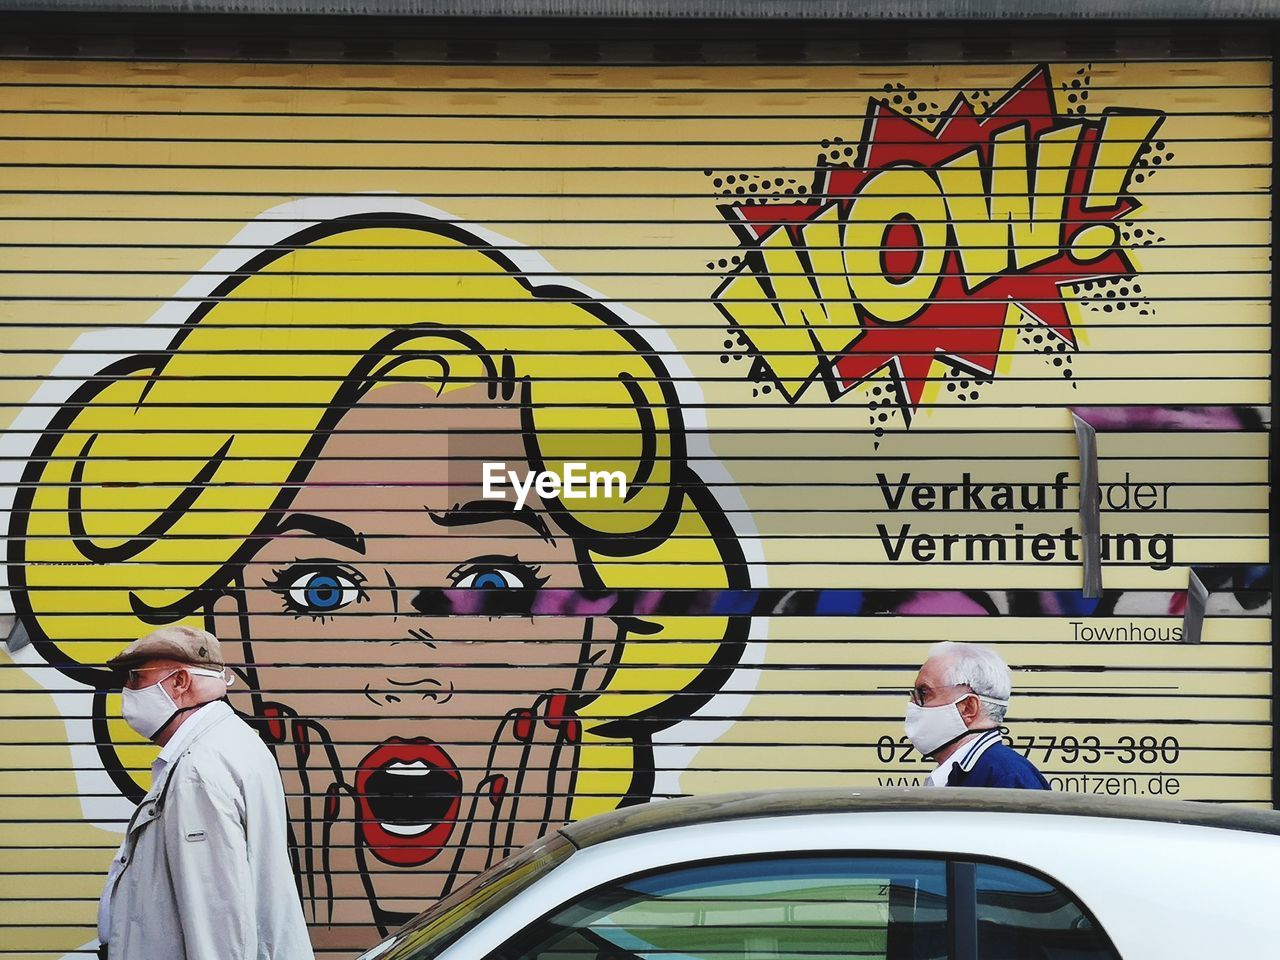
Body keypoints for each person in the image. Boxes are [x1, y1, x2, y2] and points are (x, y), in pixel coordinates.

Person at [96, 625, 313, 960]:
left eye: (136, 677)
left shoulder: (198, 771)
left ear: (180, 682)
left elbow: (216, 914)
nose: (128, 689)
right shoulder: (236, 741)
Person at [905, 641, 1050, 789]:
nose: (912, 703)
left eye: (923, 693)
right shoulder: (976, 772)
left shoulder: (1007, 778)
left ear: (968, 708)